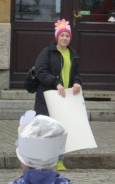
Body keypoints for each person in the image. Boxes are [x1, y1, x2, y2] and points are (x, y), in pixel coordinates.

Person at [32, 18, 82, 171]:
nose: (64, 38)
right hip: (48, 97)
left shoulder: (73, 54)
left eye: (67, 35)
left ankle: (59, 161)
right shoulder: (47, 52)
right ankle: (42, 160)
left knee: (61, 131)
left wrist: (77, 82)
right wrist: (55, 82)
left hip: (65, 98)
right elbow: (40, 71)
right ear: (57, 37)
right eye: (62, 35)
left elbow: (76, 73)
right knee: (46, 130)